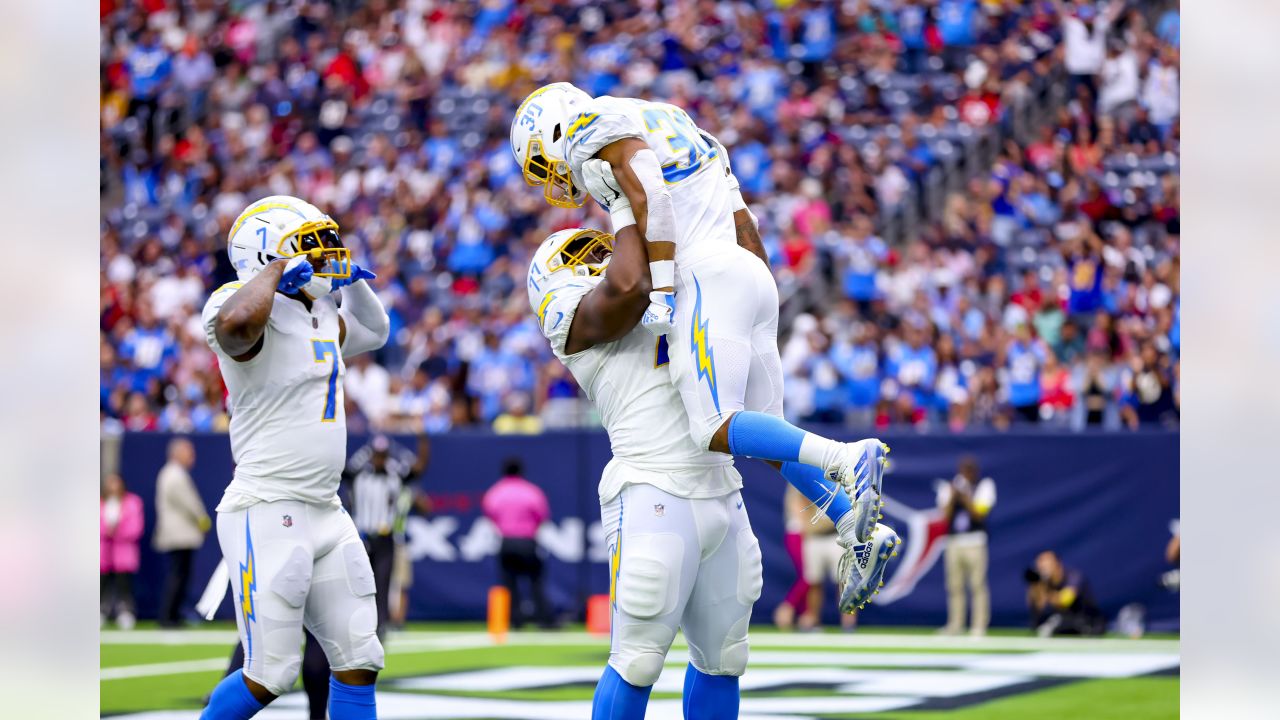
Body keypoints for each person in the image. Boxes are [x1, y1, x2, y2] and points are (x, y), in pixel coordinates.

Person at [523, 216, 900, 719]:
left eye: (601, 251)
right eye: (583, 258)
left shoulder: (675, 296)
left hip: (722, 491)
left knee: (724, 661)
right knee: (636, 662)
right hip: (652, 491)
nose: (602, 260)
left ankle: (850, 506)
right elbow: (630, 287)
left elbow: (749, 280)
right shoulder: (587, 320)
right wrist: (636, 204)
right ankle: (846, 463)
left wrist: (732, 207)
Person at [511, 82, 890, 555]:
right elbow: (744, 224)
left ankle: (848, 456)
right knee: (766, 433)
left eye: (544, 162)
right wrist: (757, 293)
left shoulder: (594, 124)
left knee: (713, 426)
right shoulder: (677, 119)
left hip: (703, 275)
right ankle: (852, 521)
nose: (555, 178)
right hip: (747, 272)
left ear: (554, 128)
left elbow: (653, 197)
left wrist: (666, 288)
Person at [198, 195, 391, 720]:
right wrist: (280, 269)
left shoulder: (319, 310)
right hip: (268, 505)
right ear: (265, 256)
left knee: (360, 657)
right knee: (271, 673)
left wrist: (354, 282)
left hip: (327, 508)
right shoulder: (231, 303)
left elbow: (375, 332)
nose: (326, 254)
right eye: (312, 244)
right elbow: (238, 327)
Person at [343, 432, 430, 640]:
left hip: (385, 536)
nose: (380, 459)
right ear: (371, 454)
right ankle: (357, 623)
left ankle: (380, 625)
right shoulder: (359, 475)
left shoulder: (395, 475)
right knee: (358, 582)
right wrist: (365, 451)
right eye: (377, 455)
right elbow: (341, 468)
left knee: (382, 583)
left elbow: (419, 468)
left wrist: (423, 441)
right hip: (361, 537)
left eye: (383, 455)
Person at [481, 458, 554, 629]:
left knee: (510, 583)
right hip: (528, 541)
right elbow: (542, 516)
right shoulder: (532, 491)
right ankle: (543, 620)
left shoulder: (495, 492)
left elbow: (490, 515)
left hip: (506, 542)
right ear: (521, 471)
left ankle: (516, 621)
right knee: (536, 582)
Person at [153, 437, 211, 627]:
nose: (192, 456)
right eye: (189, 452)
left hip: (178, 534)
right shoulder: (175, 474)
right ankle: (168, 617)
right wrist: (203, 520)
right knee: (178, 575)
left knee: (180, 575)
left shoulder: (171, 473)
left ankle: (173, 615)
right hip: (179, 535)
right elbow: (190, 503)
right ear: (177, 453)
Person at [937, 456, 996, 637]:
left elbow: (979, 514)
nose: (967, 473)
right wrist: (954, 496)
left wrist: (965, 497)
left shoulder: (984, 486)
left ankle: (979, 625)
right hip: (954, 541)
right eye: (964, 469)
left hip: (975, 541)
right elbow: (945, 517)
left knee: (977, 584)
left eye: (970, 469)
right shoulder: (950, 487)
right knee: (954, 585)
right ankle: (955, 624)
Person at [798, 500, 858, 633]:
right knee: (813, 581)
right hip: (813, 537)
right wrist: (807, 525)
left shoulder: (841, 482)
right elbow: (800, 502)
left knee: (843, 580)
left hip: (836, 536)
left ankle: (848, 620)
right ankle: (813, 619)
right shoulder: (811, 481)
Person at [100, 473, 145, 630]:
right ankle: (101, 611)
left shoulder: (133, 503)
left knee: (124, 584)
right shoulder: (99, 503)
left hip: (123, 552)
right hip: (103, 553)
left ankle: (125, 612)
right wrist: (106, 531)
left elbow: (136, 528)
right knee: (102, 584)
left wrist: (117, 531)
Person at [1026, 550, 1105, 637]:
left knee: (1064, 621)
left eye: (1046, 564)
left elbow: (1065, 601)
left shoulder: (1074, 576)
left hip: (1087, 620)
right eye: (1040, 564)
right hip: (1061, 619)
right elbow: (1037, 608)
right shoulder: (1044, 583)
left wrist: (1047, 595)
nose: (1043, 568)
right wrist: (1036, 589)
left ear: (1057, 564)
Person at [772, 486, 810, 631]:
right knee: (807, 576)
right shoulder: (799, 481)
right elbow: (797, 509)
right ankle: (785, 611)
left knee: (807, 577)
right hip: (798, 533)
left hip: (804, 533)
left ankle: (804, 617)